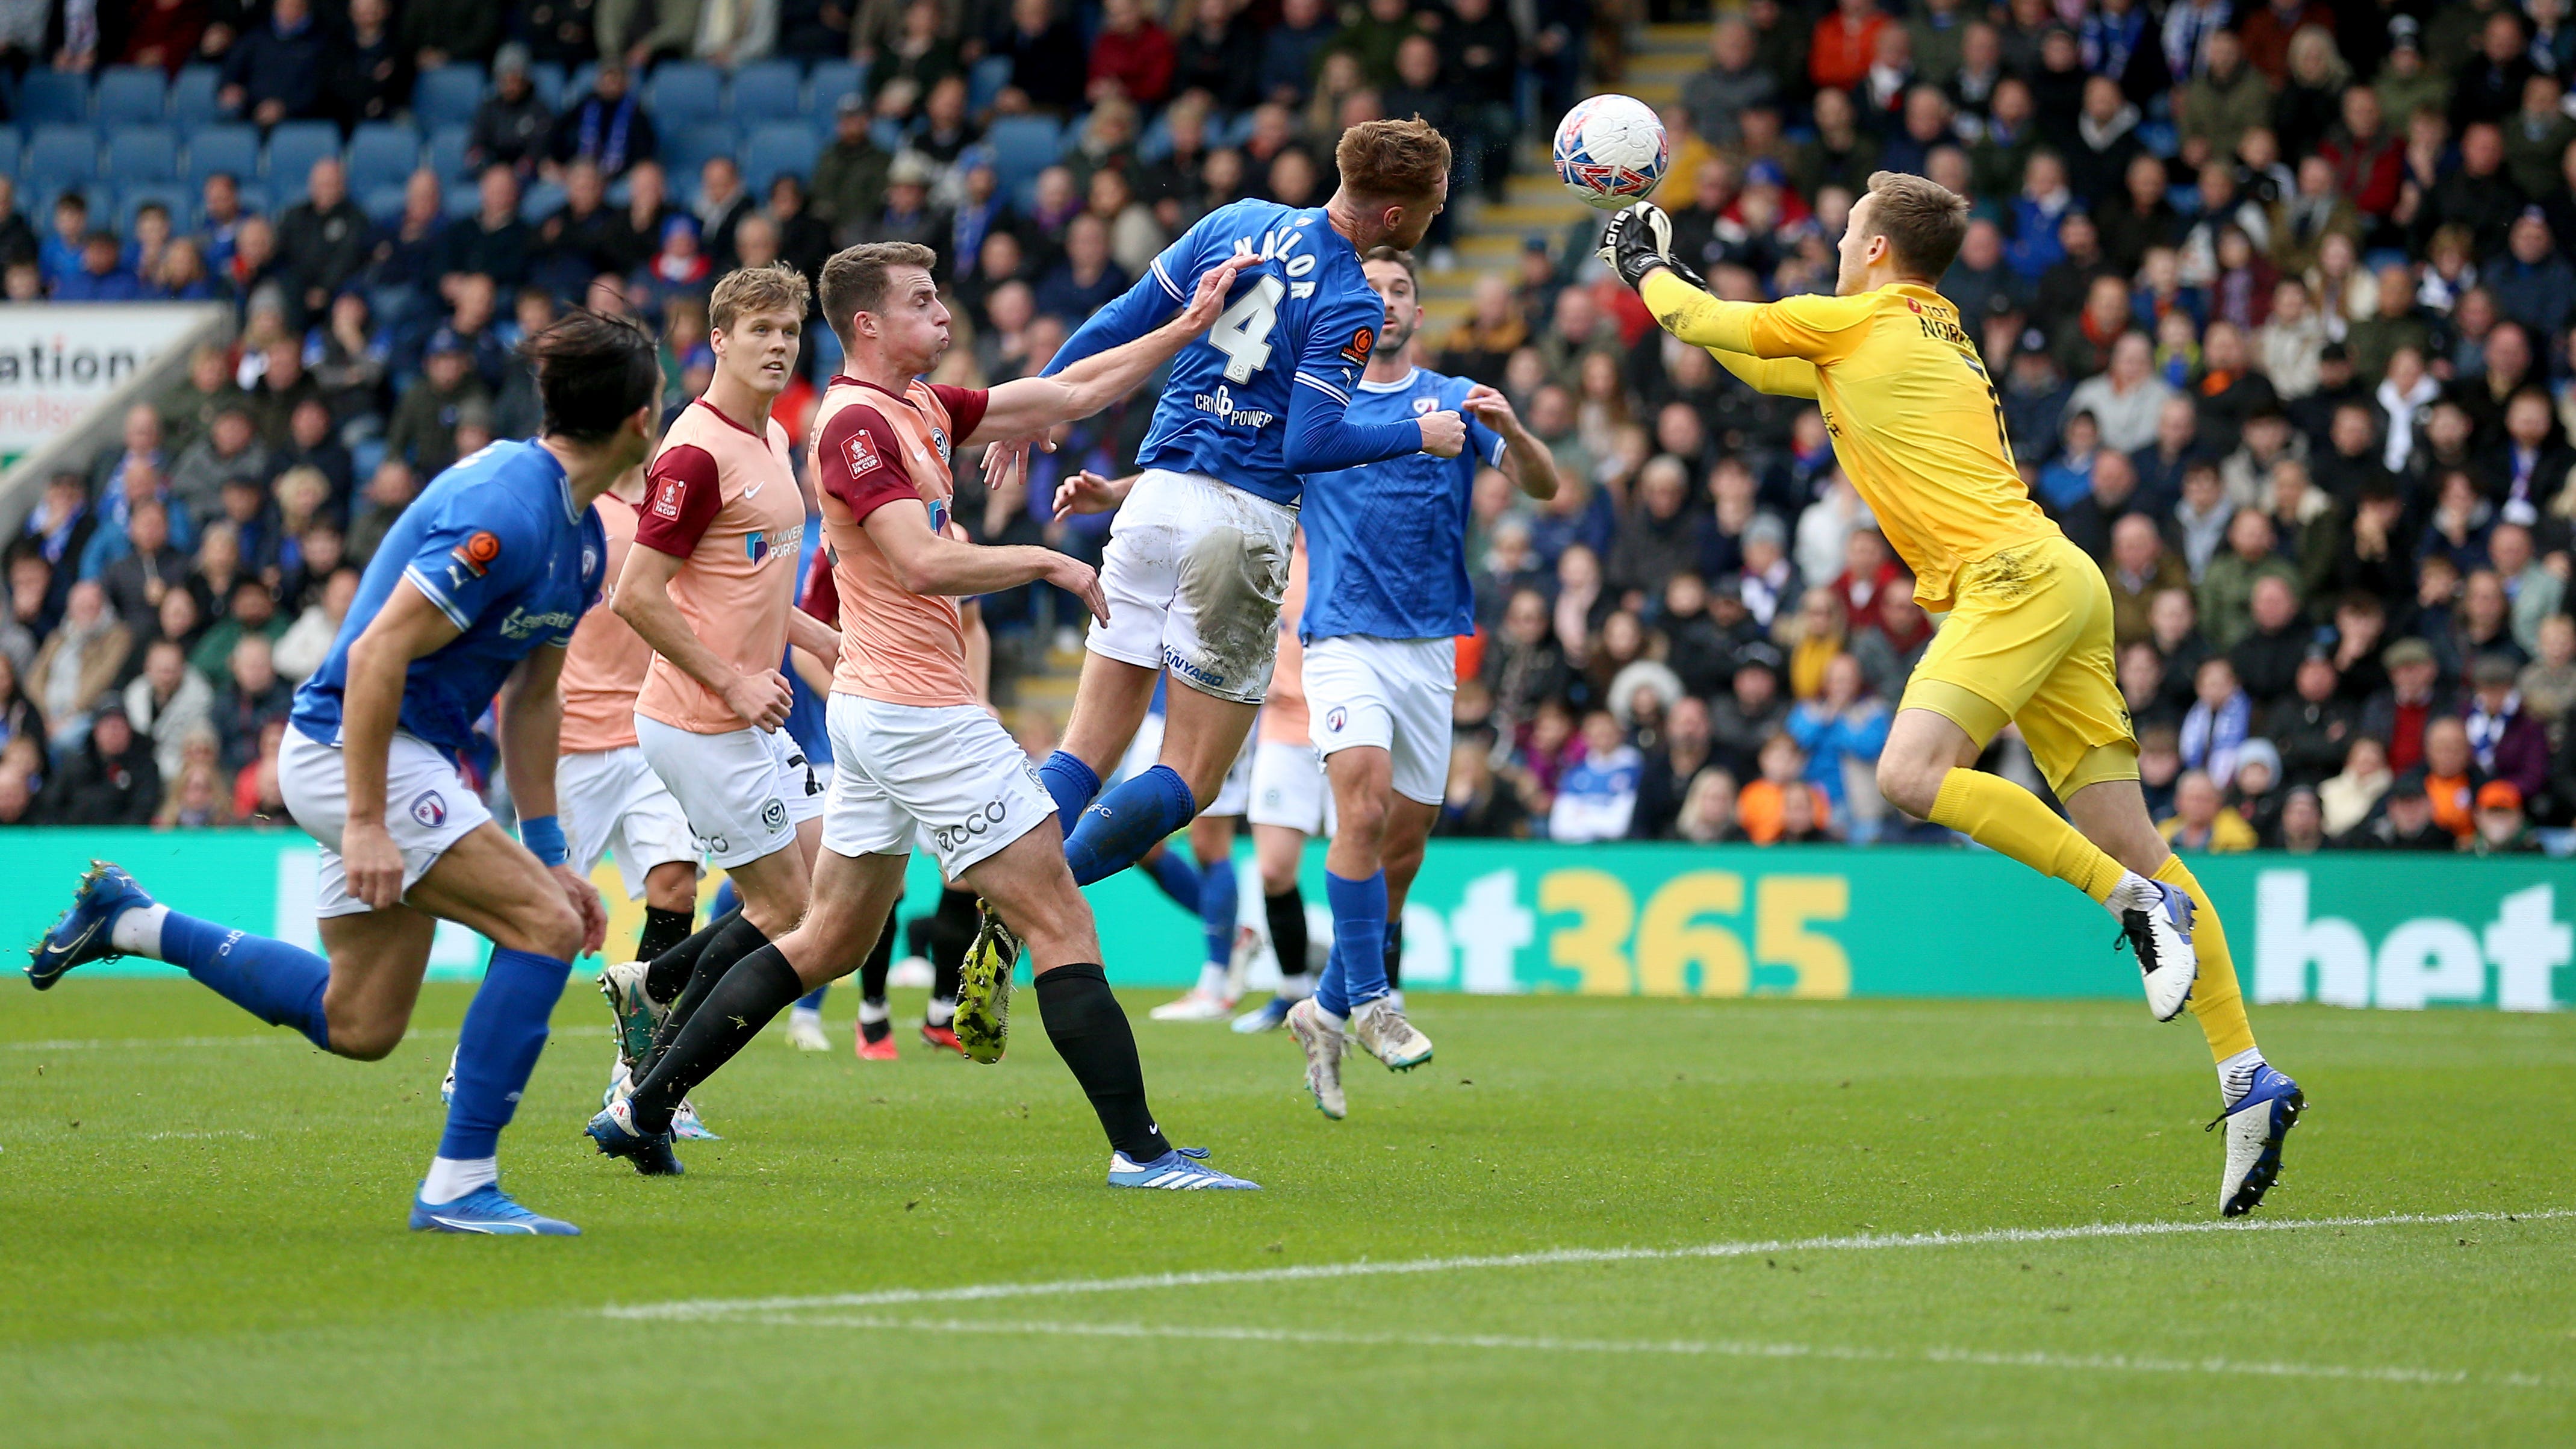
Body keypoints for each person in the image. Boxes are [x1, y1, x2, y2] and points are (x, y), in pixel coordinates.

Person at [1603, 171, 2301, 1218]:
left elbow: (1700, 319)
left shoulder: (1861, 319)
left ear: (1878, 250)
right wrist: (1683, 281)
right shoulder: (1927, 334)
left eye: (1846, 231)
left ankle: (2131, 906)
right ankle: (2246, 1074)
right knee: (2137, 836)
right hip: (2066, 580)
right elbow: (1748, 366)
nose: (1836, 243)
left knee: (1908, 775)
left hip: (2008, 581)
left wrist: (1643, 263)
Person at [585, 240, 1260, 1190]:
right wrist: (1047, 560)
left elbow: (1068, 396)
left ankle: (641, 1106)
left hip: (876, 707)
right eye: (923, 301)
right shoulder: (853, 427)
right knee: (1061, 918)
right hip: (918, 713)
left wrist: (1184, 329)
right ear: (869, 324)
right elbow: (918, 561)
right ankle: (1141, 1153)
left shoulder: (921, 406)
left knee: (829, 937)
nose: (944, 315)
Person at [29, 311, 664, 1235]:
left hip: (392, 759)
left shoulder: (583, 538)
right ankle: (459, 1183)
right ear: (644, 420)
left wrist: (549, 847)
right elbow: (374, 658)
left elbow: (533, 701)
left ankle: (130, 917)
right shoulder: (510, 508)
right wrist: (367, 819)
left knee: (360, 1020)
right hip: (352, 751)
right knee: (545, 925)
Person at [986, 118, 1467, 1036]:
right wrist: (1421, 431)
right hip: (1239, 519)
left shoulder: (1235, 219)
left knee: (1084, 750)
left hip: (1153, 497)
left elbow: (1124, 317)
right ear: (1398, 211)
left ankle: (1009, 888)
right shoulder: (1347, 294)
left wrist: (1032, 399)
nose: (1440, 214)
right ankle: (1031, 897)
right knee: (1190, 775)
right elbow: (1310, 441)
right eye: (1438, 203)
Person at [1064, 243, 1557, 1113]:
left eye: (1402, 289)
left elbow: (1545, 488)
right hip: (1337, 641)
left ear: (1417, 309)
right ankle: (1369, 1001)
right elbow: (1233, 469)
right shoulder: (1312, 402)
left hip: (1431, 649)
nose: (1390, 301)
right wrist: (1121, 491)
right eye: (1374, 289)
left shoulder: (1451, 401)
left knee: (1398, 854)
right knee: (1357, 806)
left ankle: (1324, 1008)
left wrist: (1512, 431)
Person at [553, 463, 714, 1131]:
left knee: (677, 888)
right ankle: (474, 1056)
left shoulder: (673, 503)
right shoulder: (567, 507)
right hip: (571, 741)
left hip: (653, 727)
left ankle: (640, 1076)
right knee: (542, 908)